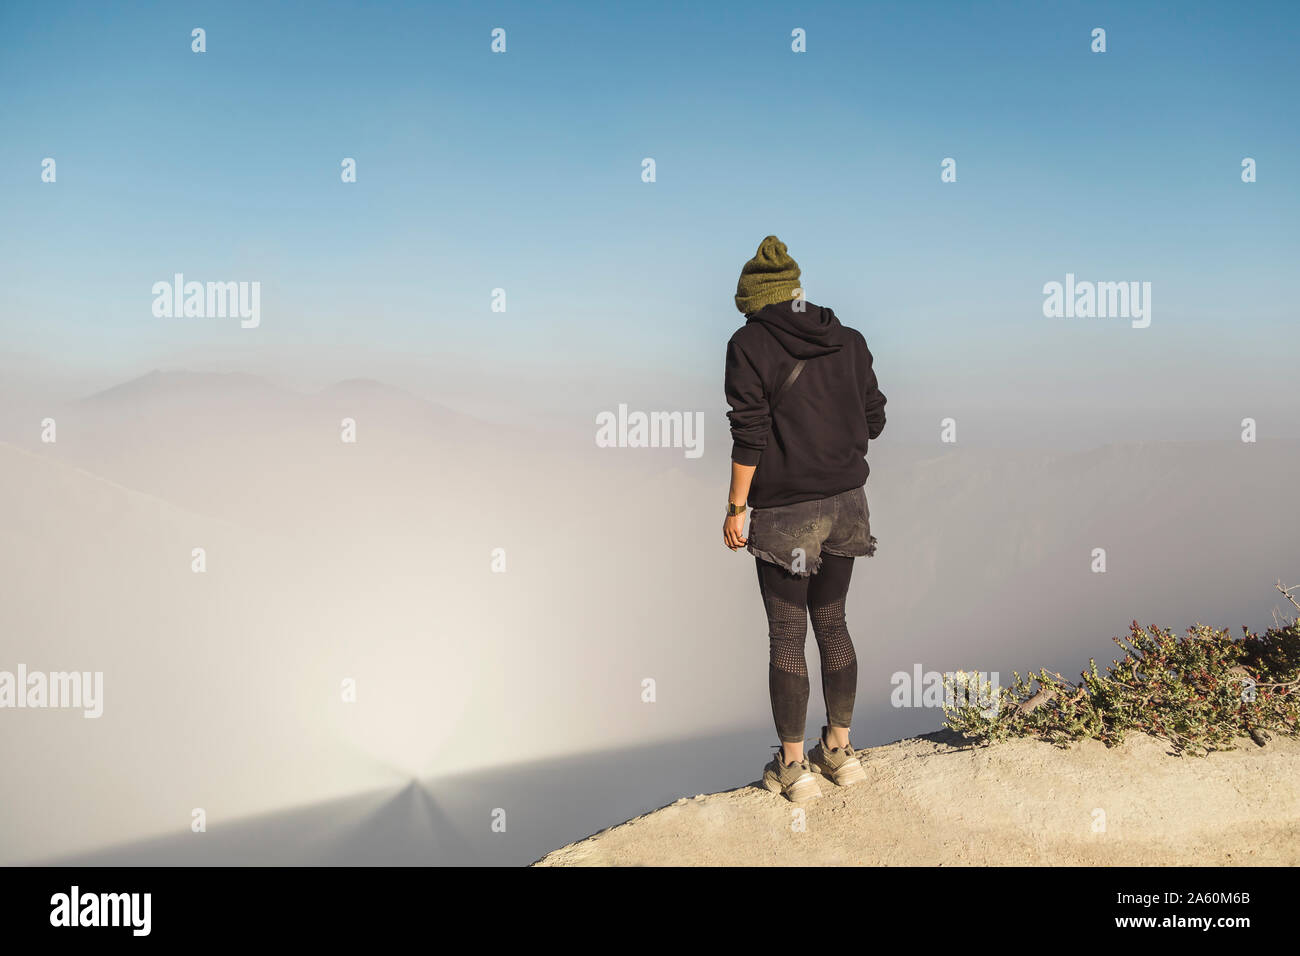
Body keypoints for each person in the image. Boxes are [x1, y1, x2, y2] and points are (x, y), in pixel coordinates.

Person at [722, 235, 887, 802]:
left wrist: (736, 508)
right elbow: (875, 418)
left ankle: (794, 769)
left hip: (787, 512)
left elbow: (750, 432)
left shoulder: (748, 345)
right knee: (833, 622)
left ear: (754, 301)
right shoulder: (850, 339)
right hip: (848, 503)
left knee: (788, 633)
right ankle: (840, 752)